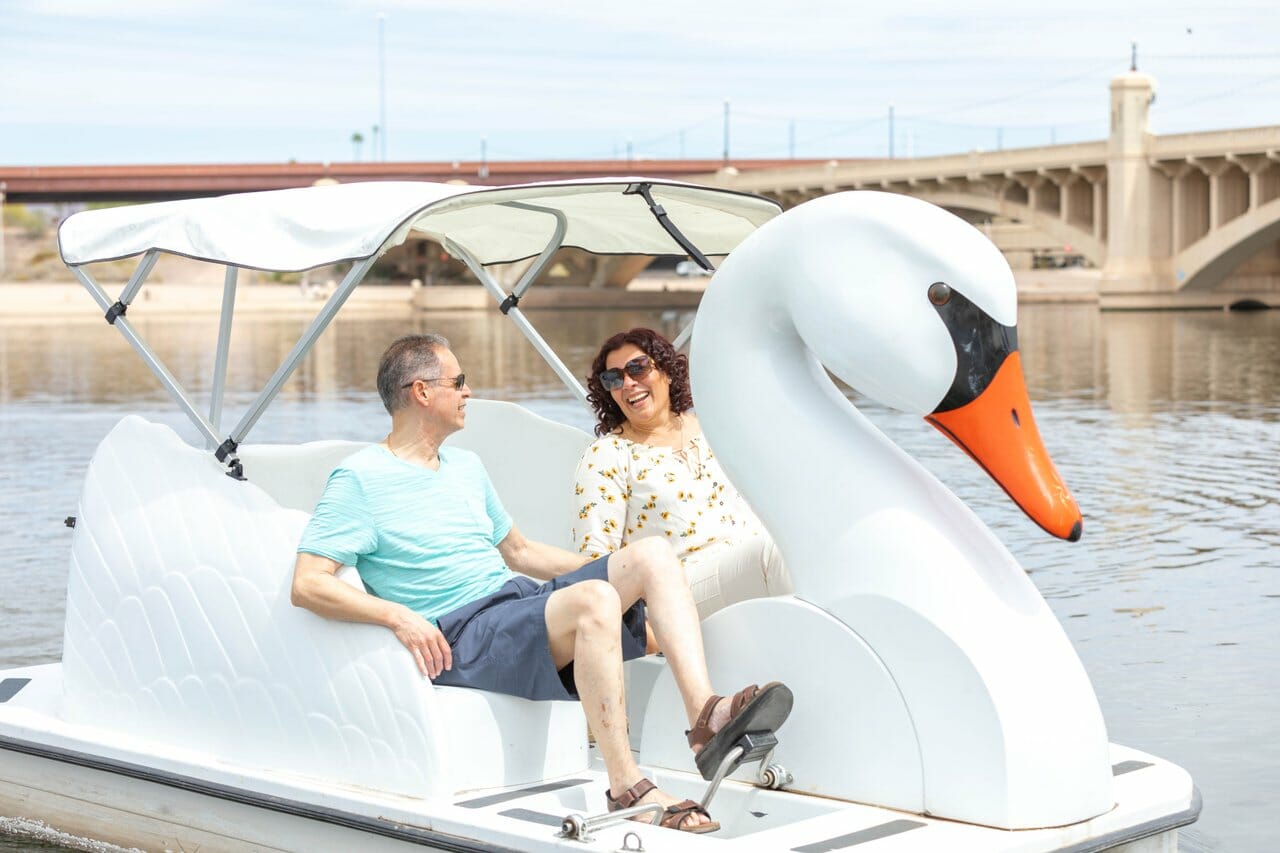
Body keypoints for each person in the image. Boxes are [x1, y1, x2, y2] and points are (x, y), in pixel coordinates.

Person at [290, 334, 793, 834]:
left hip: (515, 603)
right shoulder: (359, 478)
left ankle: (705, 716)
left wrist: (625, 574)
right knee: (595, 598)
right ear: (422, 392)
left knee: (652, 555)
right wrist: (399, 617)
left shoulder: (466, 466)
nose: (468, 392)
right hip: (462, 633)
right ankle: (625, 787)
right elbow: (308, 583)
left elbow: (521, 553)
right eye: (459, 382)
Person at [575, 328, 793, 620]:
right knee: (776, 555)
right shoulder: (609, 455)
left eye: (637, 368)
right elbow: (595, 559)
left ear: (666, 370)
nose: (627, 383)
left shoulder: (714, 428)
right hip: (679, 590)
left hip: (755, 564)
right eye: (613, 378)